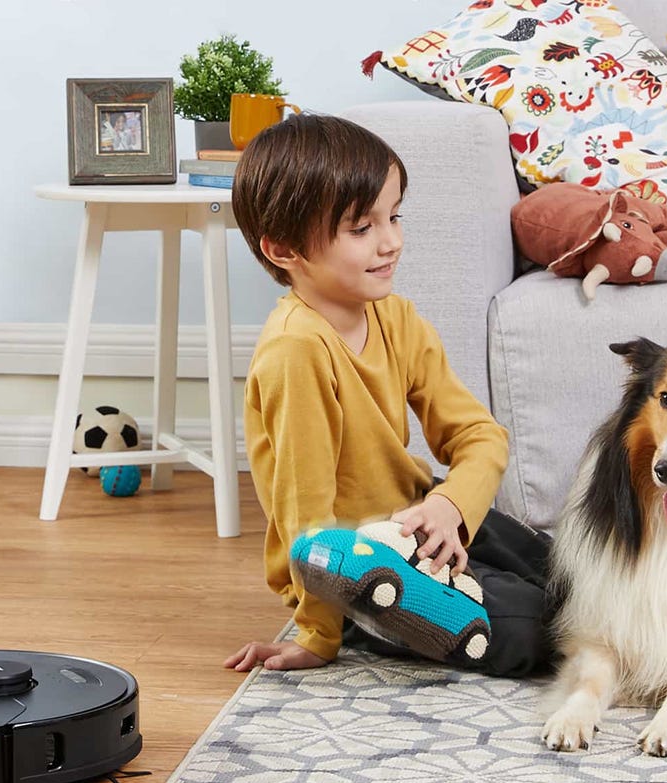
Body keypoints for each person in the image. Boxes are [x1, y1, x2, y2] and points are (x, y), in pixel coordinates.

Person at [223, 114, 558, 678]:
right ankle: (388, 615)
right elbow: (308, 525)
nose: (391, 242)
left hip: (417, 517)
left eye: (394, 216)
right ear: (284, 250)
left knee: (572, 568)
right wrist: (318, 635)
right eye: (361, 229)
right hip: (358, 565)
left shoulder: (396, 318)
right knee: (541, 624)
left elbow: (480, 436)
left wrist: (449, 506)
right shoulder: (295, 352)